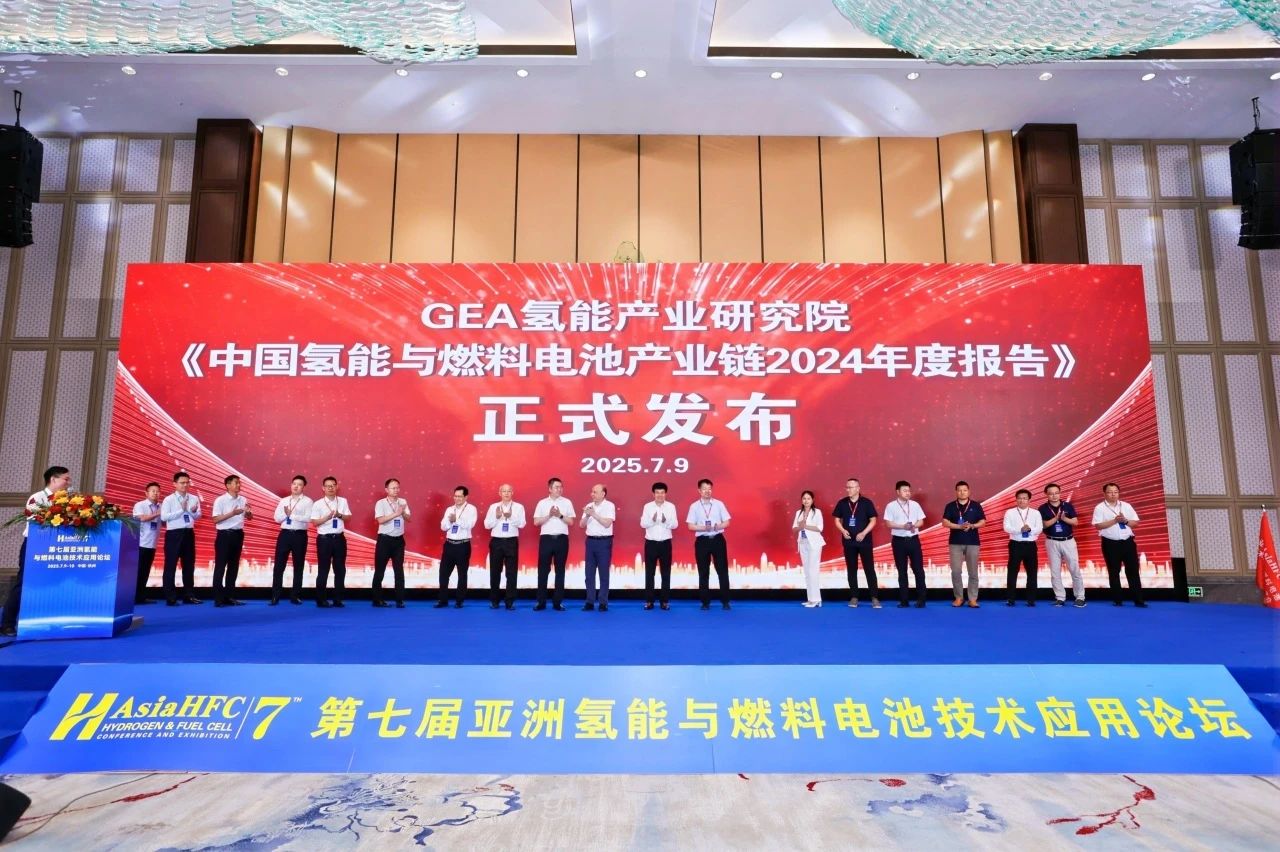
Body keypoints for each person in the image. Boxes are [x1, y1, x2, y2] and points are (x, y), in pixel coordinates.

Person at [1, 466, 71, 636]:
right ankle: (7, 624)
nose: (68, 482)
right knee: (24, 583)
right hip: (35, 546)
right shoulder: (37, 498)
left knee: (53, 583)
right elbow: (36, 522)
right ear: (53, 479)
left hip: (56, 547)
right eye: (66, 479)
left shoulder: (68, 499)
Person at [1092, 483, 1146, 607]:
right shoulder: (1099, 508)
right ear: (1104, 493)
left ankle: (1139, 600)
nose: (1113, 494)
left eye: (1116, 492)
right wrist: (1115, 520)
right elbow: (1098, 525)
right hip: (1110, 543)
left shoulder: (1126, 506)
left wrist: (1125, 521)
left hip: (1128, 542)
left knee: (1133, 571)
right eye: (1110, 492)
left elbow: (1135, 523)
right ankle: (1118, 600)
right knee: (1114, 571)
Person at [832, 478, 880, 609]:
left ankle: (874, 598)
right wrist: (843, 531)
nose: (848, 490)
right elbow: (836, 520)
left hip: (865, 541)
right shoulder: (842, 503)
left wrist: (864, 533)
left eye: (851, 487)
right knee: (851, 569)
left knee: (869, 569)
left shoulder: (866, 503)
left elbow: (873, 520)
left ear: (858, 488)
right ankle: (854, 597)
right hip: (849, 541)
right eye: (847, 487)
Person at [686, 478, 732, 611]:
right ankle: (705, 602)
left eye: (709, 489)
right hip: (702, 541)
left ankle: (725, 601)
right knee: (703, 572)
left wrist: (718, 526)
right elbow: (690, 526)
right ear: (699, 491)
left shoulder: (719, 504)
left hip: (718, 539)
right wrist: (703, 528)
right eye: (704, 489)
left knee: (722, 571)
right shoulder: (694, 506)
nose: (707, 491)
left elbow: (727, 522)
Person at [941, 481, 986, 608]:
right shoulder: (950, 506)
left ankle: (972, 599)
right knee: (956, 571)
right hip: (955, 542)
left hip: (973, 542)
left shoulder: (976, 505)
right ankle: (959, 598)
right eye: (959, 490)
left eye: (965, 490)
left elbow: (983, 522)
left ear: (969, 491)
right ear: (956, 492)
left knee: (973, 572)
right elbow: (944, 522)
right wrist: (959, 527)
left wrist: (972, 526)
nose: (962, 492)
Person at [1040, 483, 1085, 607]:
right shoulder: (1042, 508)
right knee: (1055, 571)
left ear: (1060, 493)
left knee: (1074, 569)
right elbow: (1043, 525)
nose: (1054, 496)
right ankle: (1060, 597)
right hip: (1051, 541)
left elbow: (1075, 522)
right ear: (1046, 494)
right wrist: (1056, 519)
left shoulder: (1068, 506)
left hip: (1068, 541)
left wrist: (1064, 519)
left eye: (1056, 493)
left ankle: (1080, 597)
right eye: (1051, 494)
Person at [160, 470, 202, 606]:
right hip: (173, 534)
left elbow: (198, 516)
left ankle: (189, 595)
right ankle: (170, 597)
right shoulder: (168, 499)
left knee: (189, 565)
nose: (185, 485)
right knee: (170, 565)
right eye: (182, 483)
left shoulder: (194, 498)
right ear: (175, 484)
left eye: (187, 482)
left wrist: (192, 511)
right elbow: (164, 517)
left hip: (189, 533)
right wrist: (181, 510)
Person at [533, 477, 575, 611]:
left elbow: (571, 522)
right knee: (543, 570)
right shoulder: (542, 503)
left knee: (560, 570)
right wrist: (549, 515)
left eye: (561, 487)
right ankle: (541, 602)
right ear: (550, 489)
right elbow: (536, 522)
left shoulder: (567, 502)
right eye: (557, 487)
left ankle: (558, 602)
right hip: (546, 539)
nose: (559, 489)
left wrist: (560, 515)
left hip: (562, 539)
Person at [883, 480, 927, 608]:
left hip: (914, 540)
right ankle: (904, 600)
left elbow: (921, 521)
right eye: (904, 490)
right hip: (899, 541)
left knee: (918, 570)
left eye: (909, 490)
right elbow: (888, 523)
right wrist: (903, 526)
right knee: (902, 571)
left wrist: (913, 526)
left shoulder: (915, 505)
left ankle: (921, 599)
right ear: (898, 492)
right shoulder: (891, 506)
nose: (908, 493)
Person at [269, 475, 312, 606]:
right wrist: (285, 514)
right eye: (294, 483)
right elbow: (277, 518)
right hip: (285, 535)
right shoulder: (284, 501)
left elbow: (308, 518)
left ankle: (295, 596)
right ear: (291, 485)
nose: (296, 486)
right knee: (279, 566)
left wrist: (291, 515)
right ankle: (275, 596)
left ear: (303, 487)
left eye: (299, 484)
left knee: (298, 566)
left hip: (300, 535)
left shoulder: (308, 501)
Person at [210, 475, 250, 607]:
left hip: (238, 534)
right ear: (228, 485)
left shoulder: (243, 499)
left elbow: (249, 517)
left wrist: (248, 513)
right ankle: (218, 598)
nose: (239, 485)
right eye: (236, 483)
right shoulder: (220, 500)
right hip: (224, 535)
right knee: (220, 566)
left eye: (239, 483)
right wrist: (232, 513)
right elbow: (215, 519)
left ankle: (230, 597)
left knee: (233, 567)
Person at [311, 476, 351, 608]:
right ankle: (321, 600)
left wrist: (339, 515)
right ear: (323, 488)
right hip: (324, 540)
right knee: (323, 569)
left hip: (339, 539)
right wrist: (327, 517)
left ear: (337, 487)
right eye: (328, 486)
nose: (331, 488)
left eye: (333, 485)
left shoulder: (343, 501)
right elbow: (315, 522)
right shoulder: (318, 504)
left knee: (340, 570)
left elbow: (348, 517)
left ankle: (338, 599)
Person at [483, 483, 525, 610]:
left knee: (511, 573)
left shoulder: (518, 507)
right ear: (499, 493)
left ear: (512, 493)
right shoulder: (493, 507)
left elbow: (522, 524)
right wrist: (496, 517)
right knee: (495, 572)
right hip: (496, 541)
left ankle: (510, 601)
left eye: (509, 491)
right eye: (504, 491)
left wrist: (510, 517)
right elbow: (487, 525)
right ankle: (494, 601)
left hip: (511, 541)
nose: (506, 493)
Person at [640, 481, 679, 610]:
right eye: (657, 492)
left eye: (662, 492)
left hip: (665, 543)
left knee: (666, 573)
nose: (660, 495)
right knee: (649, 573)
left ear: (665, 494)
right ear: (653, 494)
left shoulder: (671, 507)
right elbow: (643, 524)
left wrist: (665, 521)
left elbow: (675, 524)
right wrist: (652, 520)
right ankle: (649, 601)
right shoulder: (647, 507)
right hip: (651, 543)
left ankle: (665, 602)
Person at [372, 478, 410, 608]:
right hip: (384, 540)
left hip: (399, 541)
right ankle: (377, 600)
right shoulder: (381, 503)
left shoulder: (403, 502)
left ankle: (400, 600)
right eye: (393, 488)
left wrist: (403, 512)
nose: (396, 490)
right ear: (386, 490)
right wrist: (396, 513)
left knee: (399, 571)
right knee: (380, 571)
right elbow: (380, 520)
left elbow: (409, 519)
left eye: (398, 487)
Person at [437, 485, 476, 608]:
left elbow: (470, 525)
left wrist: (456, 520)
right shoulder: (449, 509)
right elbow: (443, 527)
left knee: (462, 574)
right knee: (443, 573)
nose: (457, 498)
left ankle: (459, 601)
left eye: (460, 496)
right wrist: (450, 521)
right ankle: (443, 600)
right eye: (455, 496)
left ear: (466, 497)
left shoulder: (471, 509)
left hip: (463, 545)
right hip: (449, 545)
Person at [579, 483, 616, 611]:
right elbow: (581, 525)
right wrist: (587, 515)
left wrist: (594, 514)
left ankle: (603, 602)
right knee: (589, 574)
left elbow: (607, 524)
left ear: (603, 494)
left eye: (595, 492)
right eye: (592, 491)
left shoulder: (609, 506)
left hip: (604, 542)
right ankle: (589, 601)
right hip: (590, 542)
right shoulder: (589, 506)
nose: (592, 494)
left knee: (603, 573)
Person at [1003, 488, 1043, 606]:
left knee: (1032, 572)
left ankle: (1031, 600)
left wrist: (1030, 530)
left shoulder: (1036, 513)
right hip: (1015, 544)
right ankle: (1010, 599)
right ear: (1016, 499)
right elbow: (1006, 527)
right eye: (1019, 498)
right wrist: (1019, 530)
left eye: (1025, 498)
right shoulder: (1010, 512)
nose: (1022, 500)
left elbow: (1039, 528)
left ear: (1029, 500)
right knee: (1012, 572)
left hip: (1030, 545)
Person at [131, 481, 162, 605]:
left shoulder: (161, 506)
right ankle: (132, 597)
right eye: (153, 491)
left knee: (145, 571)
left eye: (158, 491)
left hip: (152, 544)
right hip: (140, 543)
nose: (156, 493)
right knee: (137, 571)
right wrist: (158, 513)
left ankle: (140, 597)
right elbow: (142, 518)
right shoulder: (140, 505)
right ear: (146, 493)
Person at [794, 490, 826, 607]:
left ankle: (816, 599)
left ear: (812, 500)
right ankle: (810, 598)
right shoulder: (799, 513)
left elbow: (820, 528)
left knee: (813, 571)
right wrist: (800, 527)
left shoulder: (817, 512)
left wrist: (805, 526)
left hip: (814, 544)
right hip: (803, 543)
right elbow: (794, 528)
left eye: (808, 498)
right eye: (804, 498)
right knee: (807, 572)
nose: (806, 501)